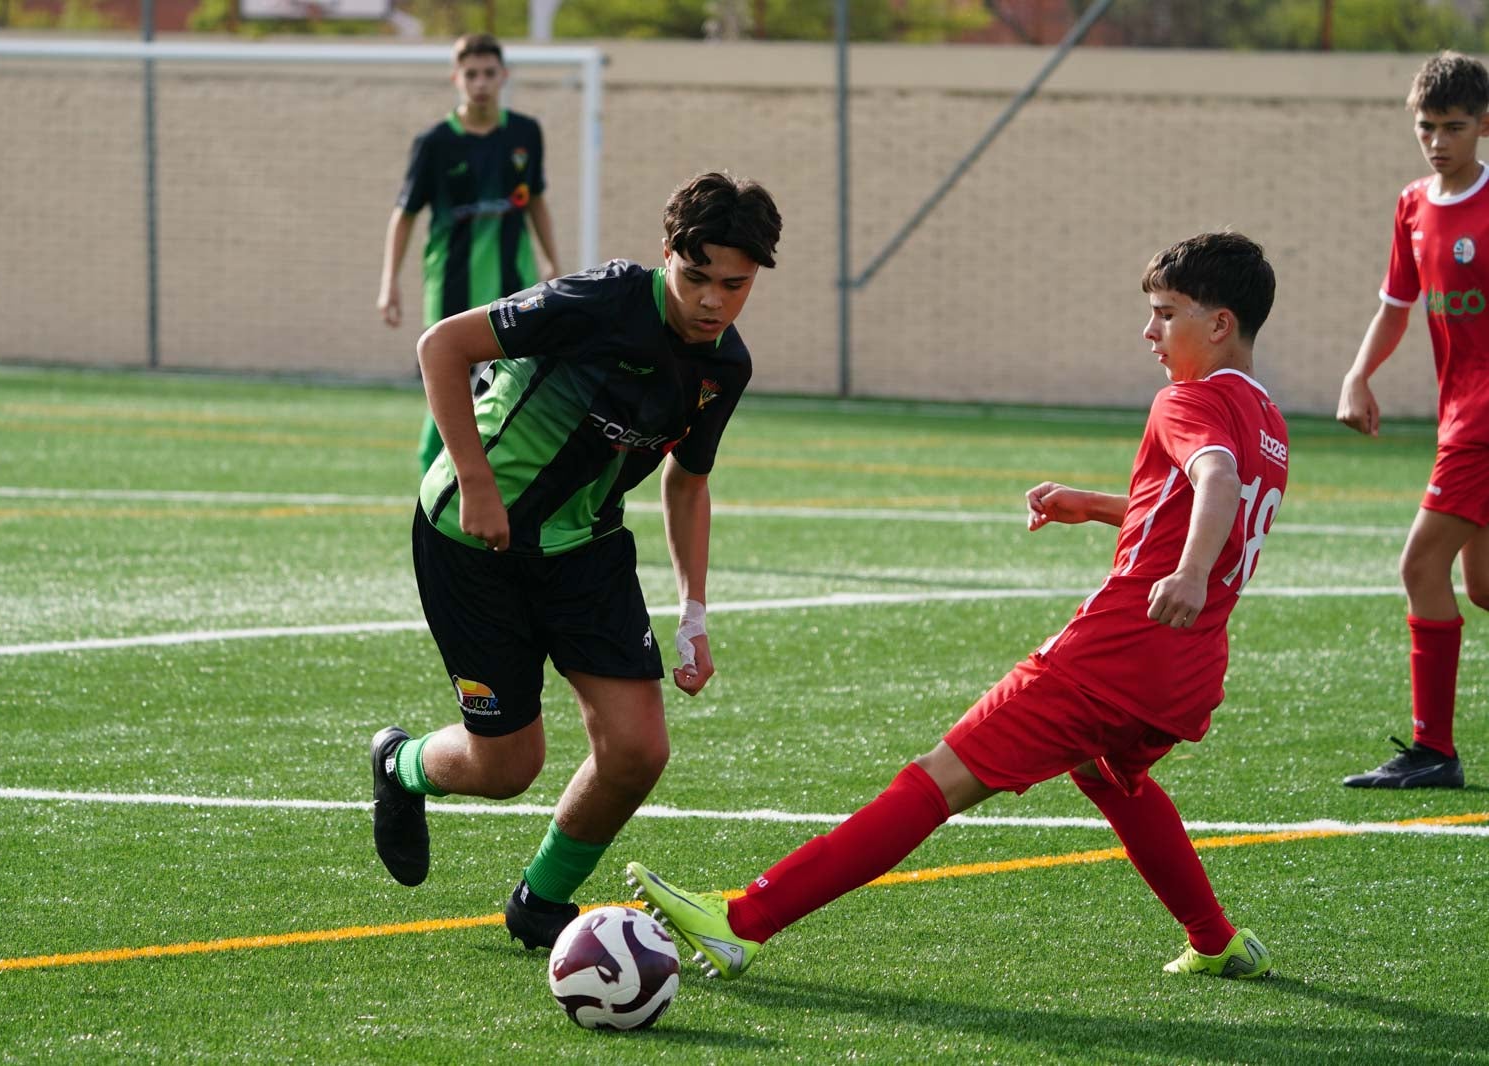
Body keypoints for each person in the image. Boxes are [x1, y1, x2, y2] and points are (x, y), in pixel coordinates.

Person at [629, 232, 1286, 983]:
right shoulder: (1267, 420)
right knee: (1109, 776)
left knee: (934, 780)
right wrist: (1101, 506)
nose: (1149, 331)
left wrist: (1190, 572)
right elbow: (1206, 497)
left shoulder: (1187, 399)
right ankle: (1215, 939)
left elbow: (1214, 479)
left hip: (1114, 653)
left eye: (1165, 314)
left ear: (1219, 323)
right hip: (1186, 668)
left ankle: (743, 921)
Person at [368, 172, 783, 951]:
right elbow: (442, 347)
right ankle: (401, 764)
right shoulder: (603, 301)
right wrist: (477, 483)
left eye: (734, 285)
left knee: (637, 751)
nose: (712, 301)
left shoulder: (723, 367)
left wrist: (693, 612)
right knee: (506, 768)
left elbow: (688, 483)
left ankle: (541, 901)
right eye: (695, 277)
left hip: (585, 549)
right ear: (667, 253)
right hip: (472, 543)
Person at [1338, 51, 1489, 791]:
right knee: (1483, 586)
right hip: (1457, 414)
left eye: (1453, 127)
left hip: (1481, 424)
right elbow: (1396, 308)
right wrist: (1357, 375)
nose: (1437, 141)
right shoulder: (1411, 205)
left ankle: (1433, 750)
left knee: (1419, 567)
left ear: (1483, 124)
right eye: (1426, 127)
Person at [375, 33, 564, 469]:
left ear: (504, 76)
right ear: (456, 79)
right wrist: (389, 283)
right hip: (451, 286)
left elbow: (535, 200)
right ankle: (433, 480)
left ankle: (505, 478)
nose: (480, 83)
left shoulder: (525, 133)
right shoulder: (435, 143)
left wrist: (552, 262)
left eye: (488, 73)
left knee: (517, 385)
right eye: (471, 74)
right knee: (449, 386)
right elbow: (404, 214)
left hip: (514, 285)